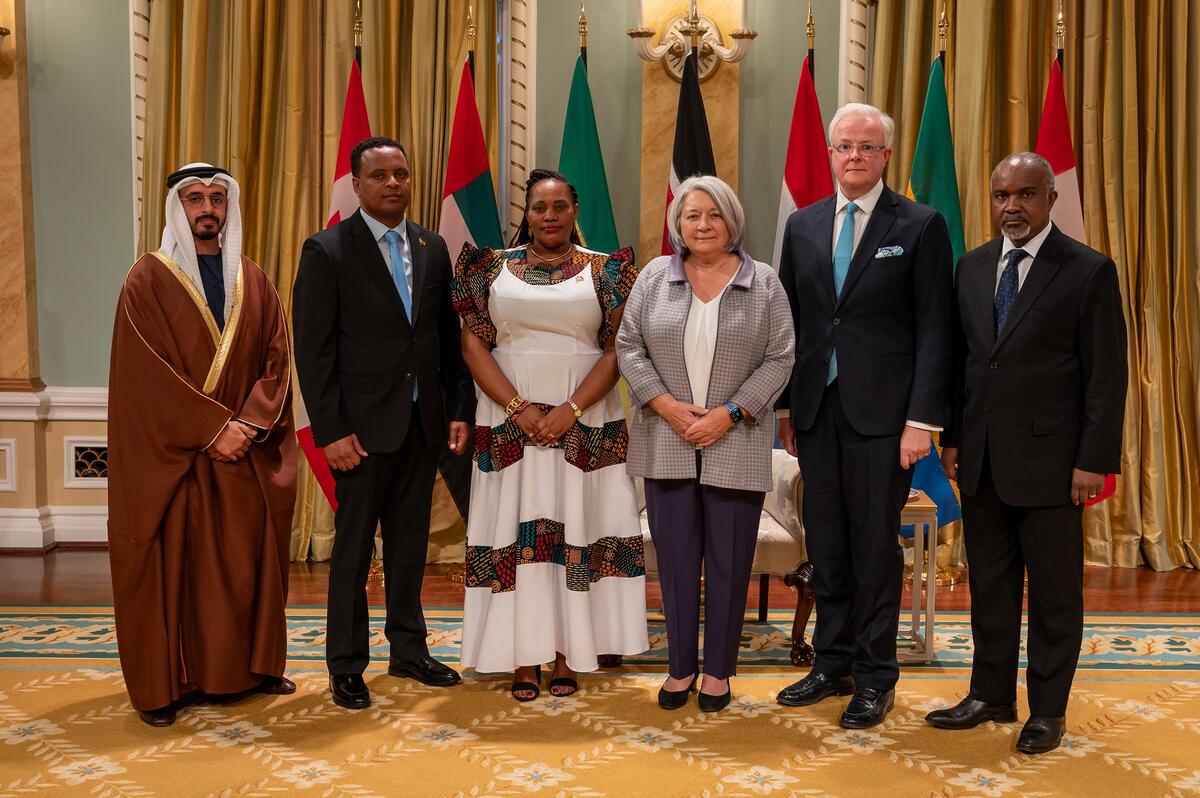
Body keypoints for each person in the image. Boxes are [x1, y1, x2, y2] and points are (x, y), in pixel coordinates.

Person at [926, 153, 1127, 754]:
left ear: (1049, 199)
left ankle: (1048, 710)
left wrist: (1095, 460)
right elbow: (966, 365)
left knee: (1055, 595)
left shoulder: (1088, 270)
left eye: (1024, 194)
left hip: (1055, 466)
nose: (1011, 206)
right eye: (1000, 195)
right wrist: (955, 440)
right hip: (983, 460)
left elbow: (1105, 376)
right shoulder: (972, 266)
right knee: (989, 586)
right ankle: (989, 694)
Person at [774, 103, 953, 728]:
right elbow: (790, 323)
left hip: (887, 419)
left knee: (875, 548)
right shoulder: (802, 225)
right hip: (818, 413)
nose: (854, 156)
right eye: (844, 146)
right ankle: (832, 663)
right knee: (827, 544)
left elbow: (936, 330)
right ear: (830, 152)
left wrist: (922, 421)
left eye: (867, 147)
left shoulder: (921, 225)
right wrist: (790, 408)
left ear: (885, 157)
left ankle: (877, 677)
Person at [108, 163, 297, 727]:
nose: (207, 209)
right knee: (176, 568)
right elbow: (146, 375)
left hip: (244, 453)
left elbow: (276, 359)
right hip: (181, 459)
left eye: (216, 198)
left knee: (245, 565)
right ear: (176, 208)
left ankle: (252, 669)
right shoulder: (145, 279)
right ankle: (170, 686)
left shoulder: (253, 278)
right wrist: (214, 428)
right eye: (194, 199)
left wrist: (249, 425)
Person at [293, 136, 476, 710]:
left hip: (422, 427)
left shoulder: (431, 247)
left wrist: (455, 411)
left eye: (401, 173)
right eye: (380, 175)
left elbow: (445, 342)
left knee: (407, 548)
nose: (393, 183)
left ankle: (409, 649)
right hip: (358, 435)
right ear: (356, 184)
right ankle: (346, 664)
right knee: (351, 555)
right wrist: (330, 431)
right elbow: (314, 352)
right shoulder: (327, 251)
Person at [452, 168, 648, 701]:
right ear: (527, 214)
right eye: (540, 207)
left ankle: (567, 653)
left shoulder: (607, 270)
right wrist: (518, 409)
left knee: (575, 528)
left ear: (575, 211)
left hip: (584, 420)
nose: (550, 216)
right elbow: (474, 347)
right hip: (506, 419)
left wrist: (571, 409)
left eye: (561, 206)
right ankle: (521, 658)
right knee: (517, 532)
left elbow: (617, 348)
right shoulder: (490, 268)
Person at [617, 175, 794, 712]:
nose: (703, 225)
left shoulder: (763, 282)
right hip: (665, 438)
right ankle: (679, 670)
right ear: (678, 223)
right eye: (693, 215)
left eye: (714, 215)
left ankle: (717, 672)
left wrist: (730, 412)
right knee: (674, 563)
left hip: (734, 439)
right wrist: (666, 406)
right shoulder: (653, 277)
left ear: (732, 221)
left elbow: (781, 356)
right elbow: (628, 346)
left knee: (728, 562)